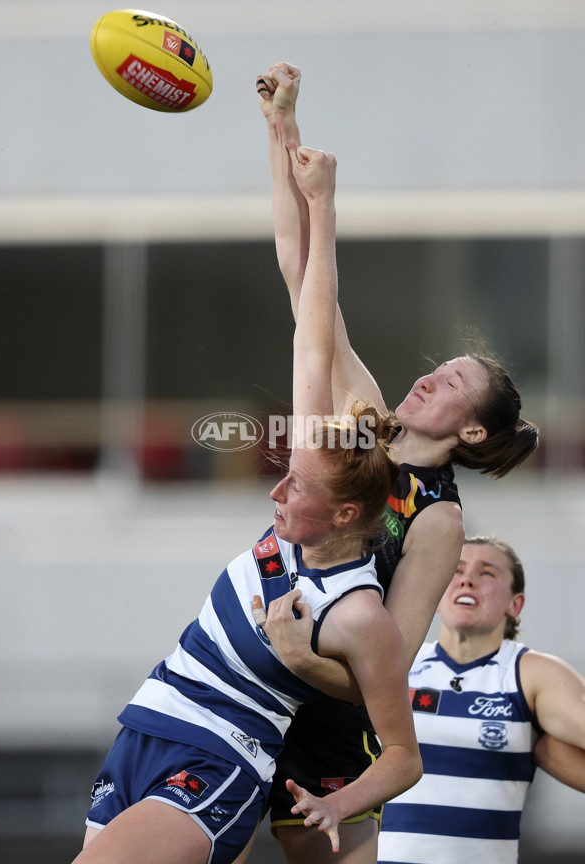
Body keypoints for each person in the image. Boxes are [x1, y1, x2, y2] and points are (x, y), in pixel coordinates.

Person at [71, 144, 423, 864]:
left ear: (349, 515)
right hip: (146, 726)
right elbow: (313, 325)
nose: (277, 491)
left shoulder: (358, 612)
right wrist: (311, 186)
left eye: (296, 489)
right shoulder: (306, 504)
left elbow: (402, 755)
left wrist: (338, 803)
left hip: (220, 753)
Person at [247, 61, 539, 864]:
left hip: (332, 727)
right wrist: (282, 130)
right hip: (251, 680)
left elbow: (388, 666)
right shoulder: (363, 414)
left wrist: (304, 653)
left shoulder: (439, 519)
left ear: (472, 433)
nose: (431, 375)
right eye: (440, 364)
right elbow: (299, 271)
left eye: (453, 383)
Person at [378, 535, 585, 864]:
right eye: (456, 570)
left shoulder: (529, 673)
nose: (468, 579)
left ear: (514, 605)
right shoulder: (396, 661)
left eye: (486, 573)